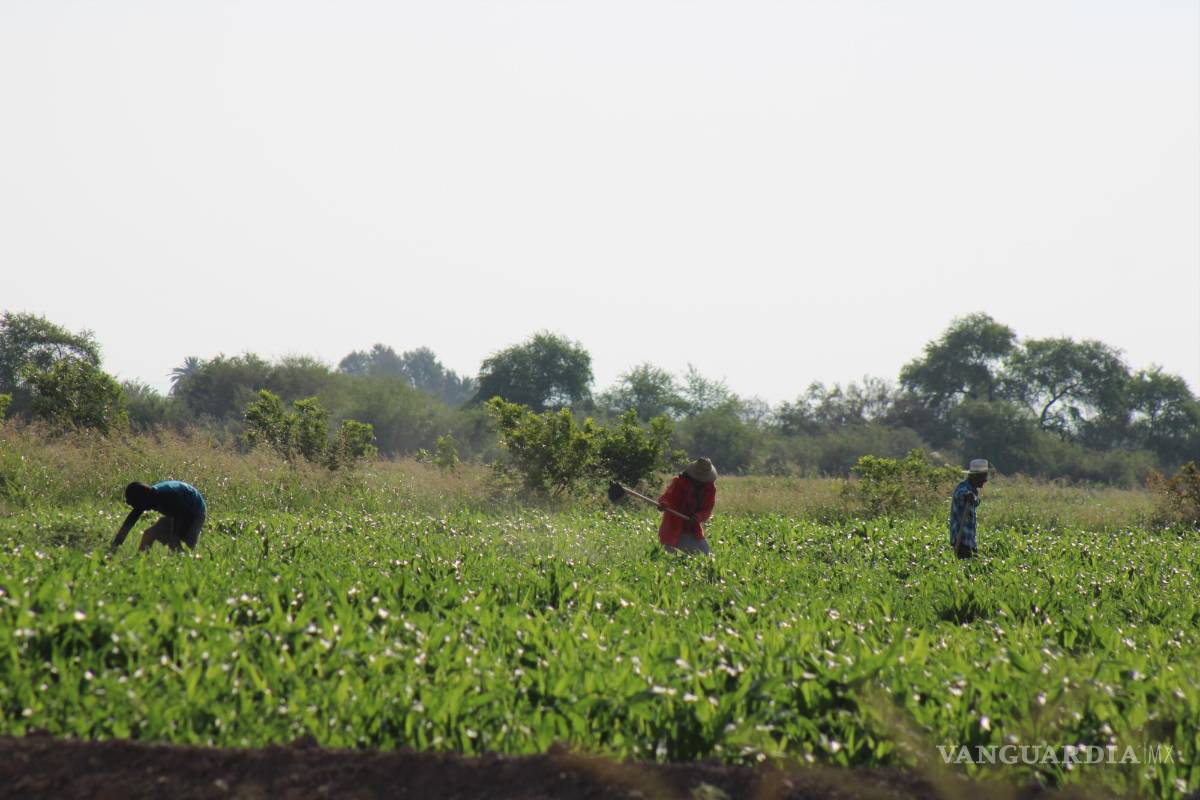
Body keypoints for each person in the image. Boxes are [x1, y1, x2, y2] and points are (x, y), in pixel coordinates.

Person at [110, 480, 207, 553]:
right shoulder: (147, 497)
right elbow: (129, 522)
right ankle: (140, 562)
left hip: (195, 511)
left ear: (142, 499)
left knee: (176, 545)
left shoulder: (166, 497)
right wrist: (116, 544)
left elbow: (182, 514)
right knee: (149, 535)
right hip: (177, 512)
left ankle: (185, 565)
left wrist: (175, 536)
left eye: (134, 504)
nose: (134, 507)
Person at [657, 457, 717, 555]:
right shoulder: (679, 483)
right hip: (674, 525)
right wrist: (663, 505)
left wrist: (697, 517)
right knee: (669, 555)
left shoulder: (710, 489)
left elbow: (707, 510)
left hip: (693, 528)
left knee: (705, 554)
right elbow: (666, 497)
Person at [949, 459, 990, 559]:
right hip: (961, 542)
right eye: (983, 477)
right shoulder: (963, 488)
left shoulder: (973, 491)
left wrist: (972, 496)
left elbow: (974, 500)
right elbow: (960, 493)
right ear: (975, 477)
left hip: (970, 542)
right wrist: (967, 495)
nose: (985, 480)